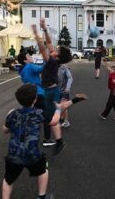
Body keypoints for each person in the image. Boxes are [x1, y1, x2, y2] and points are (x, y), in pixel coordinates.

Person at [2, 83, 88, 199]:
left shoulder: (12, 113)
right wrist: (58, 110)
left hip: (14, 155)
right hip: (32, 155)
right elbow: (53, 122)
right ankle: (41, 196)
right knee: (43, 171)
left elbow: (5, 130)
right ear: (35, 99)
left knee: (8, 180)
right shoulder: (39, 113)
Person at [32, 18, 72, 155]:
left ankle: (60, 141)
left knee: (51, 119)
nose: (53, 49)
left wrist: (36, 33)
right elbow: (48, 43)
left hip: (50, 92)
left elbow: (43, 47)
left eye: (57, 50)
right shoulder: (54, 58)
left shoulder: (51, 61)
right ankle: (59, 141)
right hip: (51, 91)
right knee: (51, 118)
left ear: (58, 56)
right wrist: (44, 29)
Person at [17, 52, 54, 147]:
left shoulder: (22, 70)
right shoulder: (29, 66)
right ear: (25, 60)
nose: (31, 57)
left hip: (29, 94)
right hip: (39, 93)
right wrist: (47, 60)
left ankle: (26, 137)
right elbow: (42, 69)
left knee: (30, 115)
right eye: (28, 56)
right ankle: (47, 138)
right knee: (47, 116)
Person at [58, 63, 73, 128]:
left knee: (63, 106)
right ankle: (62, 118)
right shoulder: (54, 67)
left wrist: (68, 87)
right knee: (60, 105)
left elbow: (70, 78)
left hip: (64, 90)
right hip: (58, 90)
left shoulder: (64, 68)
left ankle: (66, 122)